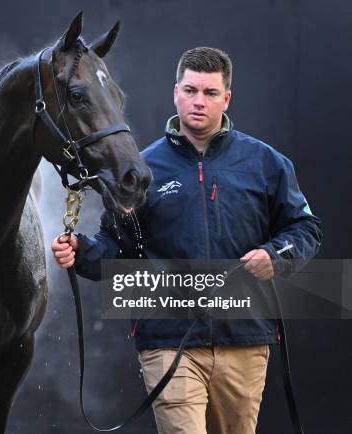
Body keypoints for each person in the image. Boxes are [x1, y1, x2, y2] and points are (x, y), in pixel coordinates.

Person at [51, 47, 322, 434]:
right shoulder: (142, 170)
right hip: (167, 343)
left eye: (210, 93)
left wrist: (275, 255)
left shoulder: (267, 163)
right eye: (191, 90)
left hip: (243, 340)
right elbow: (116, 249)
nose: (199, 101)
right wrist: (81, 250)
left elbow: (306, 229)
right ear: (175, 92)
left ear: (226, 98)